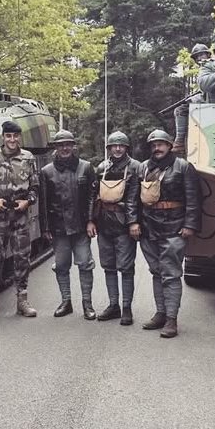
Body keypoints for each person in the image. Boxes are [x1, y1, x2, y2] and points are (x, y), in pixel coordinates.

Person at [137, 129, 202, 338]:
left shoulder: (183, 167)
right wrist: (135, 223)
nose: (157, 148)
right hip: (149, 228)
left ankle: (171, 319)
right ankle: (161, 313)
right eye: (153, 145)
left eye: (160, 144)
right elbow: (135, 198)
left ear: (169, 145)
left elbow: (193, 199)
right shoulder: (143, 167)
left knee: (171, 274)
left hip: (174, 228)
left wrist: (189, 225)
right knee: (156, 272)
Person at [0, 120, 40, 319]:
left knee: (22, 257)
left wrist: (28, 202)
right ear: (3, 137)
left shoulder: (28, 157)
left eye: (15, 136)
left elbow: (34, 186)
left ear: (19, 137)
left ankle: (22, 300)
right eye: (8, 136)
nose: (12, 139)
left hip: (19, 215)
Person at [41, 130, 97, 319]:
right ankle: (66, 302)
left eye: (68, 144)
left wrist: (91, 220)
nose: (64, 148)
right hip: (59, 228)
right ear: (56, 147)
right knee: (61, 266)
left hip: (81, 227)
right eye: (61, 145)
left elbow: (92, 197)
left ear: (73, 146)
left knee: (85, 264)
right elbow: (44, 202)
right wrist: (45, 227)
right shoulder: (47, 171)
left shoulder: (86, 167)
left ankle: (87, 304)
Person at [90, 130, 140, 325]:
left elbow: (135, 199)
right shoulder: (102, 167)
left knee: (126, 268)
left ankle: (126, 307)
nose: (118, 149)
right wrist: (91, 220)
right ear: (109, 148)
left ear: (126, 147)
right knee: (108, 267)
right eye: (114, 146)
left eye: (121, 146)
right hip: (104, 223)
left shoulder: (135, 167)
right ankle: (113, 305)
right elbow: (94, 197)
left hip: (124, 225)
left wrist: (133, 222)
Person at [173, 42, 212, 156]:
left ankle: (179, 141)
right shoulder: (204, 68)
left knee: (180, 110)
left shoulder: (213, 65)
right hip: (207, 99)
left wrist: (195, 98)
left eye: (202, 55)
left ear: (208, 55)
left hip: (214, 99)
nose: (199, 58)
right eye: (197, 56)